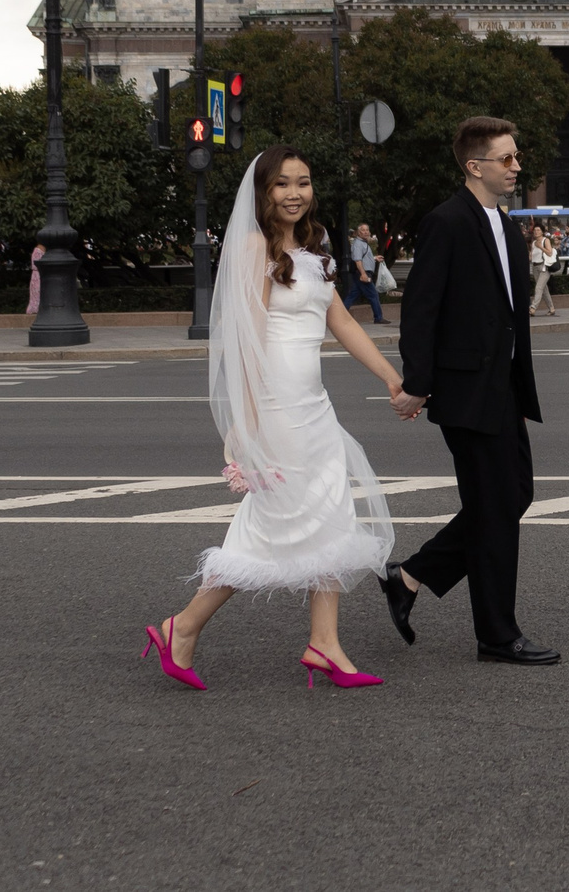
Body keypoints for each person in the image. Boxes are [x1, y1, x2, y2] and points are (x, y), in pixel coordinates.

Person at [149, 147, 410, 693]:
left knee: (331, 516)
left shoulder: (313, 250)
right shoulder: (253, 249)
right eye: (283, 184)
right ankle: (184, 626)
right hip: (276, 411)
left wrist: (390, 375)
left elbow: (339, 320)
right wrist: (243, 431)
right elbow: (246, 348)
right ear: (263, 192)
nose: (295, 193)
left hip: (313, 406)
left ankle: (325, 643)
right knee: (271, 527)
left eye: (305, 183)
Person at [377, 116, 558, 666]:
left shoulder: (504, 224)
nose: (517, 166)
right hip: (463, 391)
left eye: (516, 156)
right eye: (507, 158)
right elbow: (422, 309)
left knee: (510, 498)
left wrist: (517, 389)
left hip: (501, 388)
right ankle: (497, 635)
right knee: (497, 507)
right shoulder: (447, 222)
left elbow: (506, 315)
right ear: (474, 166)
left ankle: (410, 577)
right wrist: (417, 385)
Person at [528, 225, 556, 316]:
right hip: (535, 267)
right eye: (535, 230)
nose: (536, 232)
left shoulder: (545, 240)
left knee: (538, 288)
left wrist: (540, 247)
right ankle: (551, 308)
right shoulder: (534, 242)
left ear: (542, 232)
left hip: (544, 267)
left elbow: (549, 252)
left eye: (538, 230)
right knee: (544, 289)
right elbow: (531, 256)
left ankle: (533, 307)